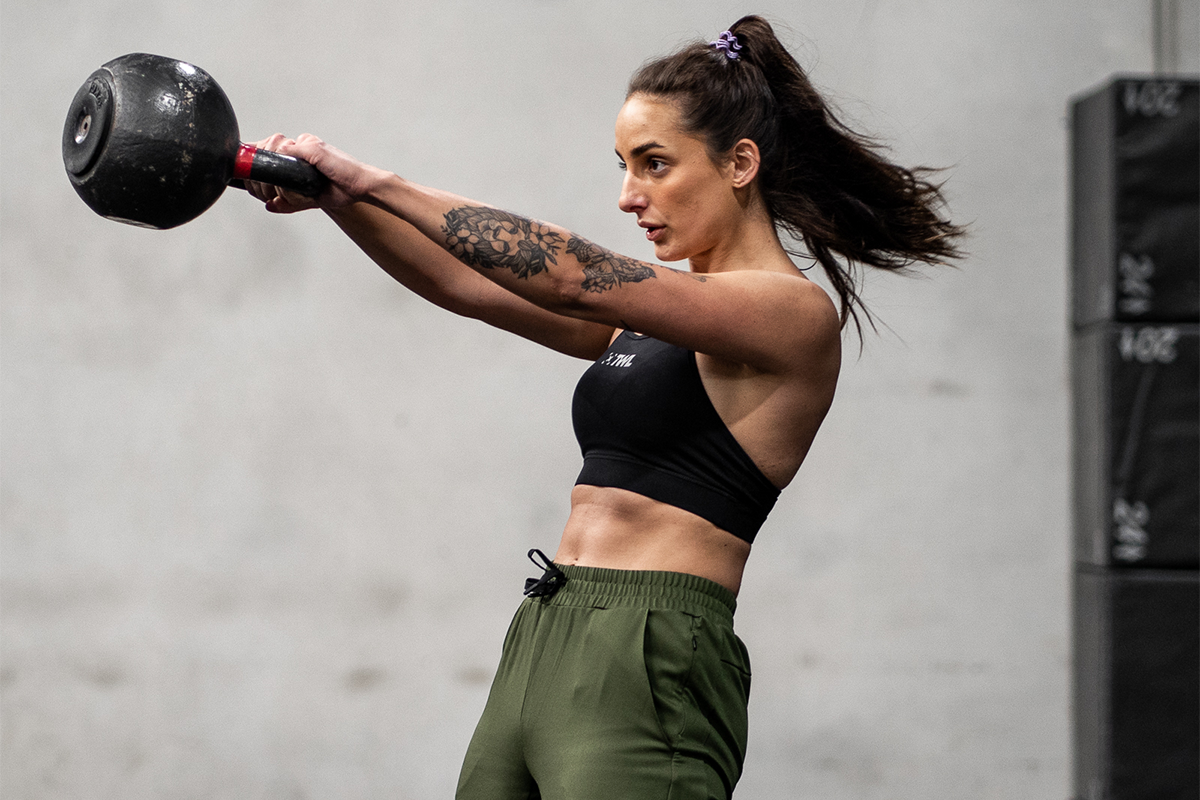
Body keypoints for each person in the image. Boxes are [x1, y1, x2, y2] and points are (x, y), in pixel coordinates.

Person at [246, 14, 964, 799]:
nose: (629, 196)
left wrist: (373, 181)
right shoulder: (654, 314)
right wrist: (336, 202)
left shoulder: (791, 314)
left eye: (655, 165)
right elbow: (466, 286)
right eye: (624, 166)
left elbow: (568, 273)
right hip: (546, 631)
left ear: (740, 163)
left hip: (651, 653)